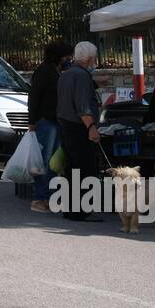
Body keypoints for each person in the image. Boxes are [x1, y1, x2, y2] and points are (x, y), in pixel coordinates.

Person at [56, 40, 103, 221]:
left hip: (66, 125)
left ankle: (71, 210)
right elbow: (82, 106)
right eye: (94, 58)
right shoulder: (82, 76)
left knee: (72, 169)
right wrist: (91, 127)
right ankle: (82, 210)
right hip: (79, 128)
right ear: (90, 58)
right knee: (85, 169)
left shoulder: (66, 74)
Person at [27, 39, 74, 212]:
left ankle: (48, 197)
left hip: (56, 121)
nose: (69, 59)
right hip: (45, 122)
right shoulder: (44, 71)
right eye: (67, 56)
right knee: (44, 162)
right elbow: (33, 97)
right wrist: (32, 122)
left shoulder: (59, 72)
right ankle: (40, 198)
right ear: (59, 56)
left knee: (54, 163)